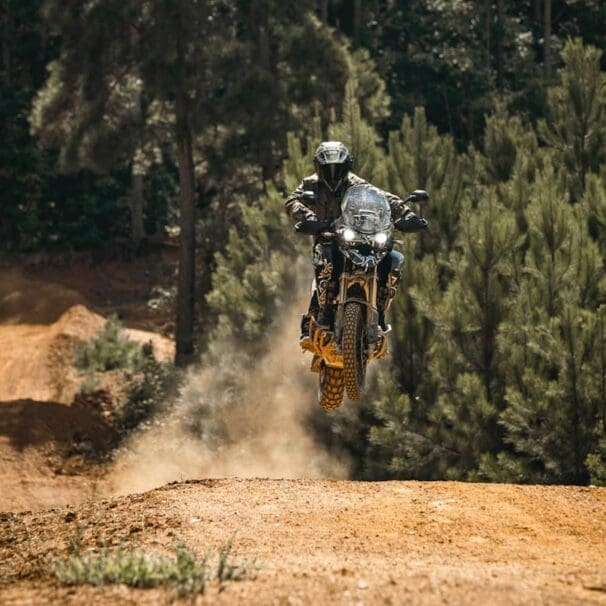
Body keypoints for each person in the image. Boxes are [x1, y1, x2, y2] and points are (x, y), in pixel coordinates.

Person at [284, 141, 428, 337]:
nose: (333, 173)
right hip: (328, 237)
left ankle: (379, 309)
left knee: (392, 258)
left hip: (357, 239)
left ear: (346, 166)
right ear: (318, 167)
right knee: (325, 257)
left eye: (338, 168)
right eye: (328, 168)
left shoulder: (356, 183)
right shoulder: (310, 184)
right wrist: (308, 217)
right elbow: (292, 201)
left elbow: (383, 198)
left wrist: (406, 214)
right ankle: (322, 311)